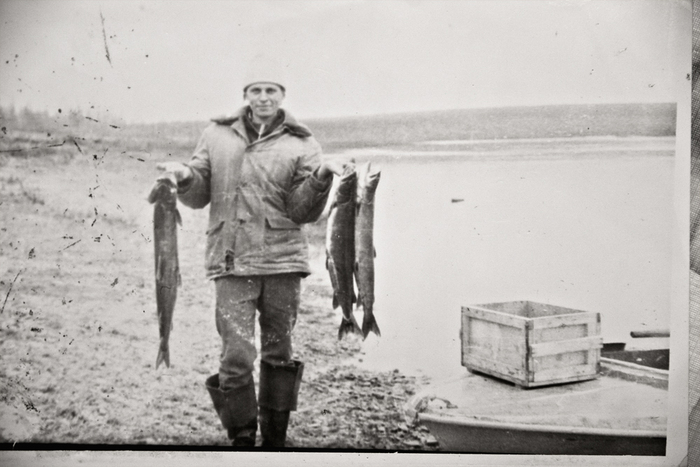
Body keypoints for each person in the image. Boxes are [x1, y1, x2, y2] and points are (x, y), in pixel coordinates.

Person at [157, 56, 345, 447]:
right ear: (245, 95)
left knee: (280, 352)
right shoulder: (216, 134)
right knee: (236, 354)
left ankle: (275, 438)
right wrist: (184, 175)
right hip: (231, 262)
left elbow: (302, 211)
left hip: (284, 263)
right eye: (256, 90)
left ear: (282, 95)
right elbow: (199, 192)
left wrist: (322, 177)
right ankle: (242, 436)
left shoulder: (303, 142)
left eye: (270, 90)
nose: (263, 97)